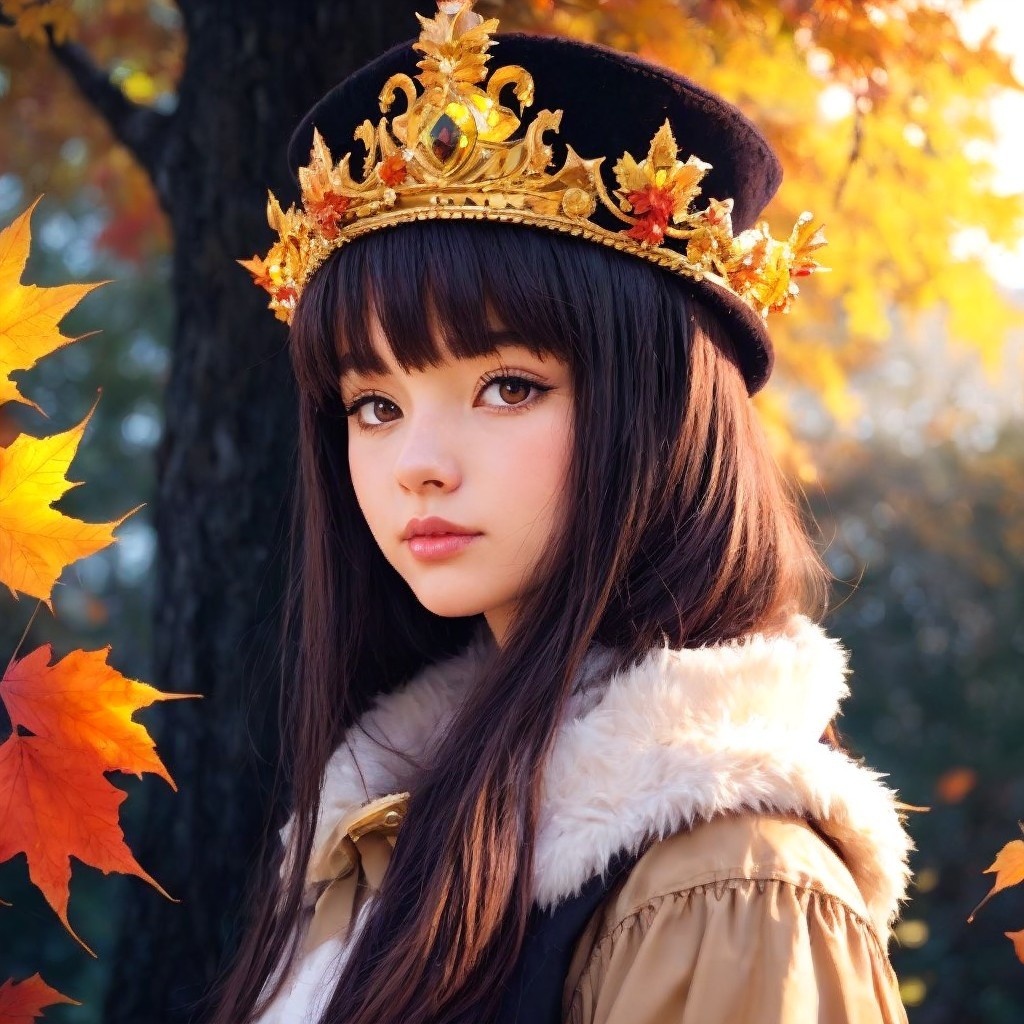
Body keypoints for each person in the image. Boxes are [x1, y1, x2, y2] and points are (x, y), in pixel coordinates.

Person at [212, 2, 916, 1021]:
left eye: (506, 386)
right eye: (376, 403)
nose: (416, 463)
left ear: (660, 411)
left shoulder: (731, 888)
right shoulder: (376, 833)